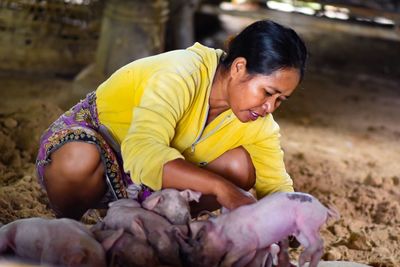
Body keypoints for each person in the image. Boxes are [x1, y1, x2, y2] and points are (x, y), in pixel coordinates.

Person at [36, 19, 307, 220]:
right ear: (239, 67)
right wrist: (221, 189)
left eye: (280, 100)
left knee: (241, 167)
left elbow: (276, 185)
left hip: (149, 185)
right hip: (104, 152)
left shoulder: (260, 124)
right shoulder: (181, 73)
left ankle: (151, 222)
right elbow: (143, 151)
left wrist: (295, 219)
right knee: (77, 159)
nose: (270, 106)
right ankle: (69, 223)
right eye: (268, 92)